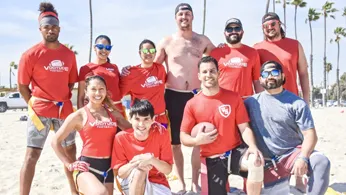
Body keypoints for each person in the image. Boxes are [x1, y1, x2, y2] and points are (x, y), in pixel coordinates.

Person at [180, 56, 264, 195]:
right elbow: (183, 136)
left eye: (212, 71)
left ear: (219, 73)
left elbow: (244, 128)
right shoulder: (192, 104)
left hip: (234, 153)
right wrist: (196, 141)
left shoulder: (233, 97)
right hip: (211, 158)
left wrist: (253, 146)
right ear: (199, 76)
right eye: (205, 72)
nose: (209, 75)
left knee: (255, 162)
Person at [17, 2, 78, 195]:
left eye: (54, 26)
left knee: (70, 154)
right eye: (47, 27)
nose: (50, 30)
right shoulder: (29, 55)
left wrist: (60, 98)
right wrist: (34, 104)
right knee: (32, 155)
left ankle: (75, 192)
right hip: (40, 112)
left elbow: (71, 83)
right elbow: (22, 86)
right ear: (40, 29)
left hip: (64, 110)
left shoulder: (69, 55)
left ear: (59, 28)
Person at [244, 61, 330, 195]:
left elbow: (310, 135)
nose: (270, 76)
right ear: (260, 79)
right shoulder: (250, 102)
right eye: (265, 74)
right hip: (268, 163)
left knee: (321, 162)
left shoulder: (297, 103)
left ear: (283, 77)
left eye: (275, 73)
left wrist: (303, 158)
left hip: (292, 155)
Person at [51, 75, 132, 195]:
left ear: (106, 91)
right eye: (93, 89)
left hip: (108, 168)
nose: (98, 93)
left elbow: (133, 131)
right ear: (86, 92)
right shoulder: (78, 116)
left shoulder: (113, 114)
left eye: (101, 89)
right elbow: (55, 141)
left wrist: (152, 126)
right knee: (100, 193)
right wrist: (69, 164)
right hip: (87, 168)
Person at [112, 99, 173, 195]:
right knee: (140, 171)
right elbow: (120, 173)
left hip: (157, 182)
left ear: (153, 119)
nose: (141, 124)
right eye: (137, 119)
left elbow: (168, 170)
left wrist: (152, 160)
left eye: (146, 119)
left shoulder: (161, 133)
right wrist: (136, 162)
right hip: (130, 181)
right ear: (130, 119)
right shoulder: (121, 138)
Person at [253, 12, 310, 104]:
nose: (270, 27)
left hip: (293, 101)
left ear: (279, 24)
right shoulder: (257, 48)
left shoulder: (295, 45)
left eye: (273, 24)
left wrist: (306, 100)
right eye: (265, 26)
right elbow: (255, 78)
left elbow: (303, 73)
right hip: (269, 103)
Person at [120, 39, 168, 126]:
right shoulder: (130, 73)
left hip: (160, 119)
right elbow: (120, 95)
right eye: (145, 51)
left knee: (164, 140)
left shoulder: (160, 69)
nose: (149, 53)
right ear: (139, 53)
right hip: (142, 121)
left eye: (152, 50)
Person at [210, 18, 263, 98]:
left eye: (237, 28)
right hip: (222, 101)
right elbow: (210, 79)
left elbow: (257, 81)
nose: (233, 31)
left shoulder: (252, 53)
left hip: (245, 102)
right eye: (229, 29)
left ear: (242, 32)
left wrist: (261, 100)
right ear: (225, 33)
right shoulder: (215, 53)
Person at [78, 35, 124, 116]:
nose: (104, 50)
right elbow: (80, 96)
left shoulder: (114, 67)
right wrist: (82, 116)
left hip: (117, 111)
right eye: (100, 46)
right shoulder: (85, 69)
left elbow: (121, 89)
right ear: (94, 48)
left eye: (107, 47)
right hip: (97, 113)